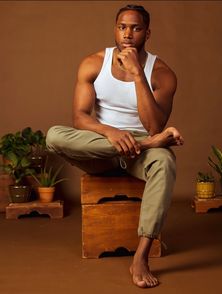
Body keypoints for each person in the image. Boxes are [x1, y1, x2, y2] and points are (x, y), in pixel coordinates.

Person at [46, 4, 184, 288]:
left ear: (148, 33)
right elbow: (80, 118)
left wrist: (137, 75)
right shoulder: (93, 63)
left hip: (140, 155)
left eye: (136, 28)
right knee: (54, 136)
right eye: (122, 27)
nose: (128, 34)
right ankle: (147, 146)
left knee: (165, 161)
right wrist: (110, 133)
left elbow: (155, 127)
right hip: (101, 148)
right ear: (115, 29)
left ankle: (141, 256)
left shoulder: (162, 73)